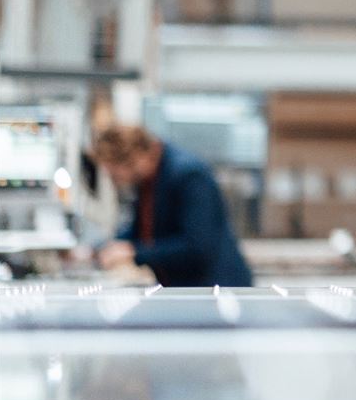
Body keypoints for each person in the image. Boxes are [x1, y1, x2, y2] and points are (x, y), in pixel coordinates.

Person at [90, 123, 254, 287]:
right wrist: (101, 248)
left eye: (114, 172)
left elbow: (196, 248)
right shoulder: (148, 180)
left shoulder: (189, 175)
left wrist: (134, 252)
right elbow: (141, 231)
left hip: (215, 287)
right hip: (186, 287)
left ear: (134, 159)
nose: (114, 179)